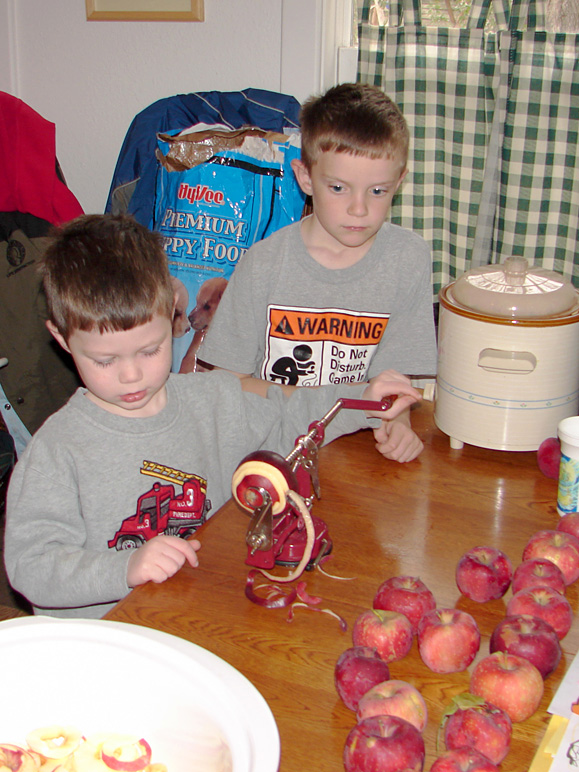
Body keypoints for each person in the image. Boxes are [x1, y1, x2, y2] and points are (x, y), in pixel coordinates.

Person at [3, 214, 421, 620]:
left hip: (204, 618)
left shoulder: (213, 401)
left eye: (150, 350)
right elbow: (32, 566)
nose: (131, 375)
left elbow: (289, 416)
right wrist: (125, 569)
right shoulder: (56, 450)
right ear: (61, 337)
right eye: (104, 359)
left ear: (171, 314)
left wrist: (361, 399)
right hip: (110, 648)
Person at [198, 83, 437, 462]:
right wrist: (346, 402)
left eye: (378, 191)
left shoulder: (408, 258)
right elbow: (225, 386)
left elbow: (394, 383)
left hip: (354, 450)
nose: (359, 209)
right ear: (305, 178)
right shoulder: (263, 263)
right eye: (339, 187)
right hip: (270, 447)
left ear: (400, 182)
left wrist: (397, 422)